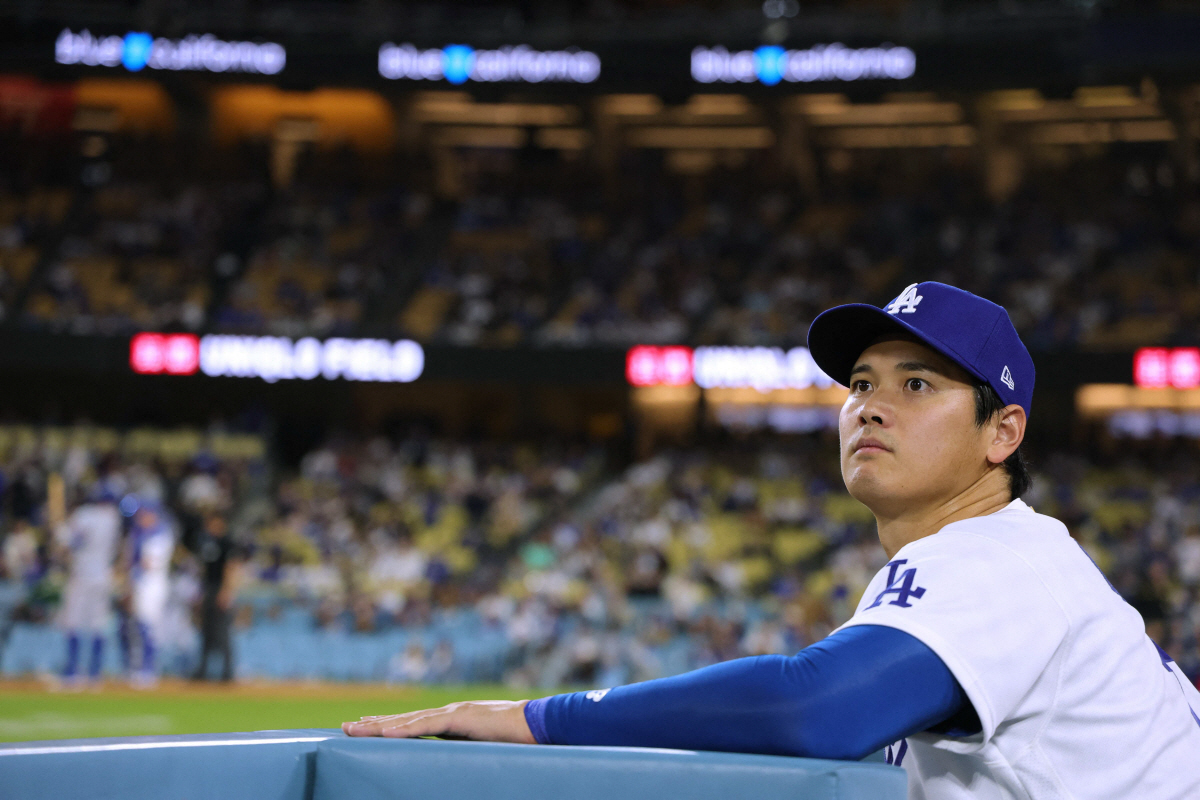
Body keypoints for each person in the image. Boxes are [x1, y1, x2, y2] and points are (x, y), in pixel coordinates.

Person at [342, 282, 1200, 799]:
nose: (870, 403)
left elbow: (809, 708)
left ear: (1001, 433)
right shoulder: (1004, 561)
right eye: (860, 382)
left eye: (917, 383)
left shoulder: (999, 559)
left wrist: (531, 717)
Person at [54, 480, 122, 687]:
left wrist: (58, 528)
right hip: (103, 576)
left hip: (82, 574)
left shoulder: (85, 514)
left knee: (73, 621)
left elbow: (69, 541)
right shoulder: (113, 518)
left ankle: (72, 671)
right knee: (97, 623)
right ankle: (94, 673)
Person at [124, 500, 175, 688]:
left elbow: (149, 564)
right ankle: (139, 668)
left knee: (148, 628)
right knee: (138, 627)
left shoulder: (160, 534)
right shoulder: (140, 534)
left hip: (153, 585)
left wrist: (132, 574)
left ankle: (149, 670)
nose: (140, 518)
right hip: (141, 584)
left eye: (143, 514)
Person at [192, 513, 240, 682]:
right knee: (206, 631)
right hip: (208, 589)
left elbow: (231, 567)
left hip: (220, 589)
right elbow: (203, 570)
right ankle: (203, 670)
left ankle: (228, 672)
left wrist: (226, 591)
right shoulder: (206, 543)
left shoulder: (227, 542)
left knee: (223, 633)